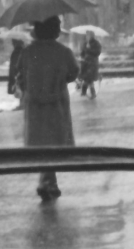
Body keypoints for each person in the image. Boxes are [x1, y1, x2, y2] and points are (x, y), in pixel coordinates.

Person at [18, 16, 80, 201]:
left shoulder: (27, 52)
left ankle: (46, 180)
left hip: (35, 105)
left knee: (41, 142)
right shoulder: (64, 52)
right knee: (54, 141)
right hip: (56, 104)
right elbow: (73, 73)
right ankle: (48, 181)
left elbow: (21, 76)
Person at [78, 30, 102, 98]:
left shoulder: (96, 43)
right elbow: (83, 52)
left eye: (88, 35)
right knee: (86, 78)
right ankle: (84, 91)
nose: (87, 36)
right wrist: (82, 54)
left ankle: (91, 93)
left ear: (92, 36)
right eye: (86, 35)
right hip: (85, 63)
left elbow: (97, 52)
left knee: (89, 78)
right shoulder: (85, 43)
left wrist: (88, 49)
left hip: (92, 63)